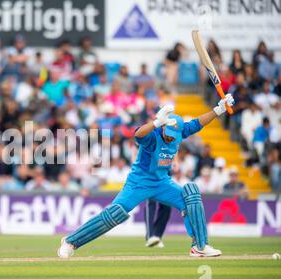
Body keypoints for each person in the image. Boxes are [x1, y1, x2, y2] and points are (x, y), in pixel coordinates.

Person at [58, 94, 235, 258]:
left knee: (191, 195)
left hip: (162, 182)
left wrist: (218, 110)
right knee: (115, 213)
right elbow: (138, 134)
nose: (171, 139)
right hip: (139, 182)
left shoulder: (180, 130)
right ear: (163, 127)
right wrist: (156, 122)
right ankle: (70, 242)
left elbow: (198, 122)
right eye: (168, 135)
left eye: (174, 137)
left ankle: (200, 246)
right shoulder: (153, 135)